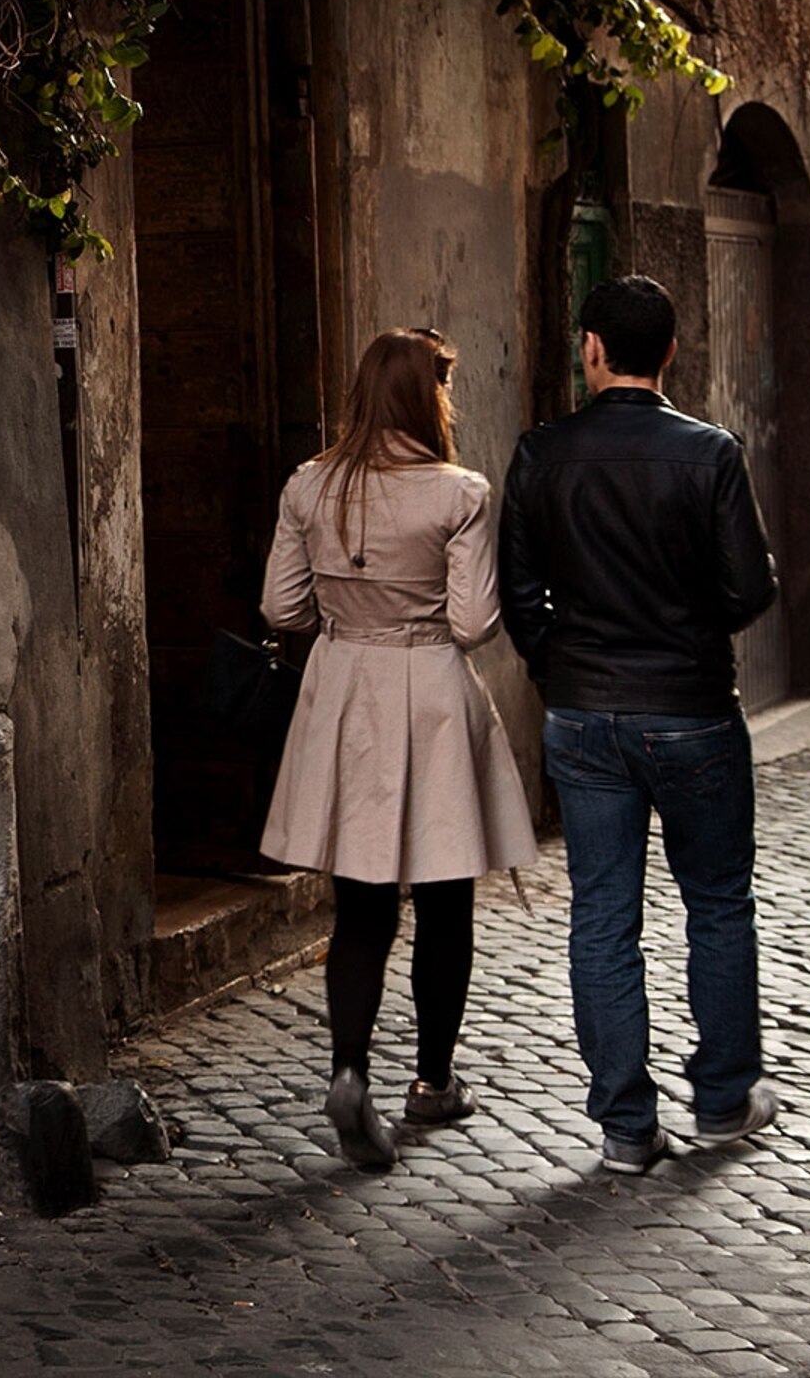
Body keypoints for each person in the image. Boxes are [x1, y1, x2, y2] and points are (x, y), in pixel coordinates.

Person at [502, 274, 781, 1175]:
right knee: (717, 903)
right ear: (669, 352)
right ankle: (724, 1100)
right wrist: (685, 637)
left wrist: (561, 666)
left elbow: (518, 593)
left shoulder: (541, 454)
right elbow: (749, 589)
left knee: (603, 919)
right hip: (693, 711)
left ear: (591, 349)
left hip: (584, 717)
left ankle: (626, 1128)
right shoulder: (711, 454)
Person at [258, 328, 535, 1169]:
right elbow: (474, 623)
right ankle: (433, 1081)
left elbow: (281, 610)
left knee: (363, 906)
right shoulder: (459, 493)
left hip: (345, 692)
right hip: (430, 692)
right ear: (428, 396)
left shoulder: (309, 486)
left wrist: (349, 614)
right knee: (446, 901)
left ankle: (349, 1072)